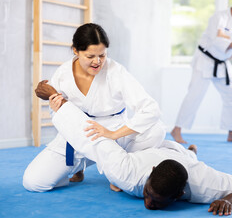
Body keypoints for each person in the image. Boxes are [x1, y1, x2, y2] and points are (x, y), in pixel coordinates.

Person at [34, 81, 232, 215]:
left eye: (158, 201)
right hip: (148, 150)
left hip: (181, 159)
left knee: (187, 157)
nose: (149, 204)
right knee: (122, 144)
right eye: (149, 194)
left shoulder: (202, 185)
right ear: (150, 175)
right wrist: (55, 97)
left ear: (179, 194)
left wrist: (229, 200)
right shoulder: (128, 174)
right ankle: (188, 151)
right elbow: (92, 137)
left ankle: (190, 152)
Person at [23, 23, 166, 192]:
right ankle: (80, 167)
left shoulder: (116, 72)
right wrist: (55, 107)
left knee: (157, 130)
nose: (97, 62)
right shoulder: (63, 73)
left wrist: (113, 134)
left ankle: (117, 172)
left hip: (114, 136)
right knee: (34, 182)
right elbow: (60, 112)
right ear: (75, 50)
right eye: (90, 56)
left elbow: (151, 109)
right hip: (77, 135)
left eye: (102, 55)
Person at [171, 0, 232, 144]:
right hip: (206, 60)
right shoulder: (219, 17)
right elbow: (218, 41)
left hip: (222, 63)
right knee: (194, 95)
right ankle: (176, 130)